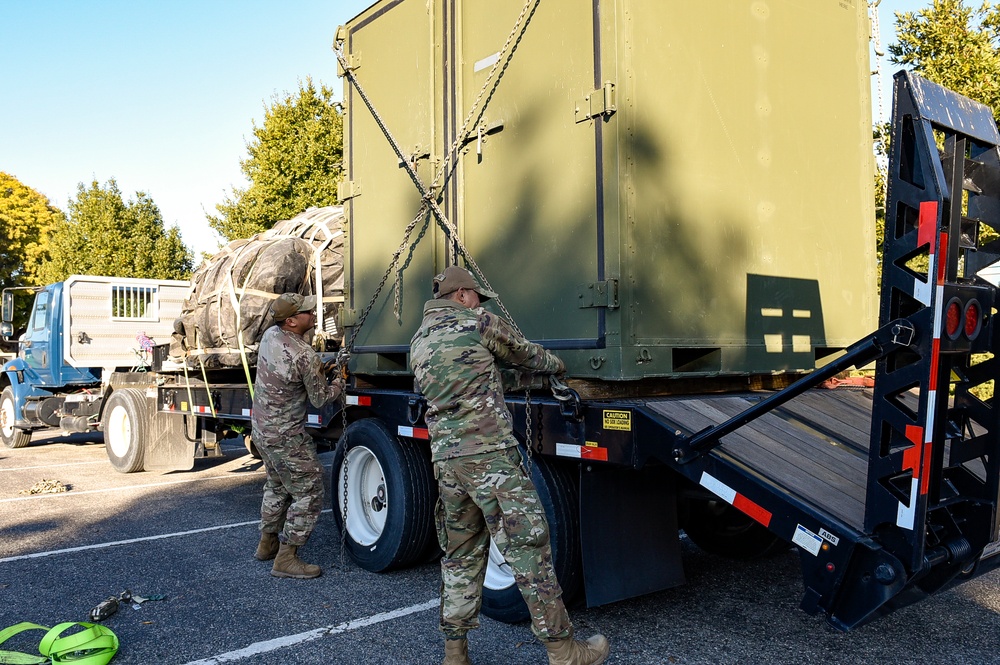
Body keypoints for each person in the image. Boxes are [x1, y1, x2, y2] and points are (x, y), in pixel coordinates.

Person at [410, 266, 610, 665]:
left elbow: (460, 382)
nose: (479, 302)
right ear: (463, 295)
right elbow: (525, 353)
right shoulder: (478, 321)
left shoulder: (420, 339)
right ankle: (563, 650)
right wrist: (556, 366)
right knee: (528, 546)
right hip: (489, 458)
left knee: (460, 554)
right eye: (476, 296)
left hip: (447, 462)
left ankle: (455, 653)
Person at [251, 292, 343, 579]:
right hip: (287, 437)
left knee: (277, 486)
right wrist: (339, 378)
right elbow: (321, 398)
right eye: (307, 312)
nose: (313, 315)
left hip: (262, 431)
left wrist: (318, 370)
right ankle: (286, 558)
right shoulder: (304, 355)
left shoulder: (270, 336)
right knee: (310, 491)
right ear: (291, 321)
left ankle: (267, 544)